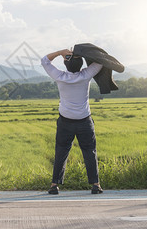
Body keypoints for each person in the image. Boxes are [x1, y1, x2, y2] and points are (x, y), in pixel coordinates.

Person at [41, 48, 104, 195]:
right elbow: (101, 60)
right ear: (81, 63)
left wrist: (60, 52)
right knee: (90, 152)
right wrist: (82, 52)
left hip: (65, 122)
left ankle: (54, 185)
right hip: (84, 121)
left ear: (65, 64)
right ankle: (95, 184)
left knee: (61, 152)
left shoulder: (60, 76)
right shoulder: (85, 75)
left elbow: (44, 60)